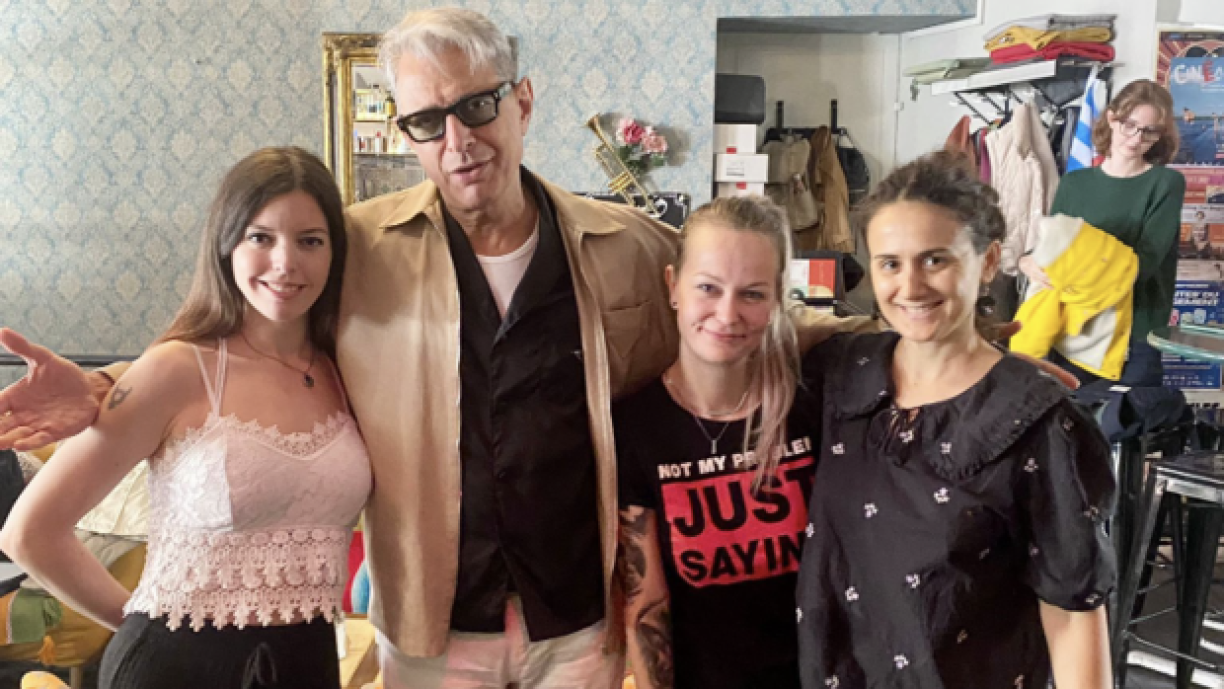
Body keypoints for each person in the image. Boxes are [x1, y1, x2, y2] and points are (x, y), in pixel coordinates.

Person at [0, 147, 371, 688]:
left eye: (310, 240)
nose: (285, 263)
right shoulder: (177, 369)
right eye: (260, 237)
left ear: (336, 253)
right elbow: (30, 532)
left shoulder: (348, 370)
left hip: (308, 665)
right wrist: (140, 621)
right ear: (226, 244)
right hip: (175, 665)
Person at [797, 152, 1114, 689]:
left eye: (935, 260)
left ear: (988, 261)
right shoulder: (841, 375)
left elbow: (1072, 614)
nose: (910, 286)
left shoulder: (1041, 422)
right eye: (890, 264)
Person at [615, 196, 815, 689]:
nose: (727, 315)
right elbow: (646, 605)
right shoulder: (635, 426)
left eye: (752, 294)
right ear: (673, 287)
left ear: (776, 299)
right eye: (708, 288)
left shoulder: (815, 404)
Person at [1021, 79, 1185, 387]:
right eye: (1129, 125)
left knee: (1128, 416)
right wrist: (1027, 261)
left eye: (1149, 131)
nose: (1136, 139)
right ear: (1111, 118)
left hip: (1134, 332)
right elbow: (1052, 245)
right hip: (1074, 327)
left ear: (1161, 134)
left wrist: (1069, 266)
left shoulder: (1166, 183)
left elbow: (1142, 265)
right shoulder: (1075, 183)